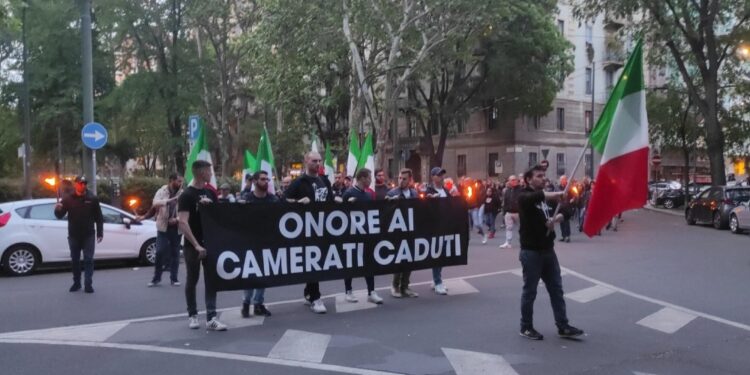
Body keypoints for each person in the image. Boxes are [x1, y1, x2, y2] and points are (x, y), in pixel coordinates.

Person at [517, 164, 583, 340]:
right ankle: (526, 327)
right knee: (530, 291)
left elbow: (566, 210)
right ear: (528, 179)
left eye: (544, 175)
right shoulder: (523, 195)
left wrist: (557, 219)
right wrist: (556, 194)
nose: (543, 178)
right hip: (531, 252)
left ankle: (563, 325)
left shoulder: (547, 198)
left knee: (556, 289)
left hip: (548, 250)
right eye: (538, 176)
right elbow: (535, 197)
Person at [284, 151, 340, 314]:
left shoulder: (324, 181)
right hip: (306, 231)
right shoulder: (299, 182)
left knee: (318, 263)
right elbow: (284, 201)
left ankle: (309, 293)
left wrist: (336, 201)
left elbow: (328, 201)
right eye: (314, 161)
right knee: (313, 262)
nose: (318, 163)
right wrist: (297, 202)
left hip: (322, 229)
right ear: (306, 161)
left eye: (320, 161)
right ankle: (315, 297)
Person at [178, 160, 227, 331]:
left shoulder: (210, 193)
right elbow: (182, 223)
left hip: (210, 243)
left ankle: (211, 317)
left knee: (211, 280)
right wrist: (197, 245)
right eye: (209, 171)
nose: (211, 174)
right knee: (192, 279)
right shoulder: (187, 196)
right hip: (193, 245)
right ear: (200, 172)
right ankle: (192, 315)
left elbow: (219, 217)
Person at [341, 168, 384, 305]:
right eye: (369, 178)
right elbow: (340, 214)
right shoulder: (349, 193)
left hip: (366, 235)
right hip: (351, 236)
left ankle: (371, 292)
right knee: (351, 264)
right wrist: (347, 204)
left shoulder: (368, 195)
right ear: (362, 178)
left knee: (369, 264)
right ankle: (348, 291)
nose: (371, 181)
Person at [54, 175, 103, 293]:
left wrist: (100, 233)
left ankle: (88, 284)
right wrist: (57, 209)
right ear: (76, 184)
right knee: (75, 260)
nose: (83, 185)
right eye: (81, 183)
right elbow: (59, 216)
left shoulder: (92, 198)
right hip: (74, 235)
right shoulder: (68, 199)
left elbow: (99, 217)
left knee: (88, 260)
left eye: (85, 183)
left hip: (88, 235)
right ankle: (76, 283)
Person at [240, 171, 277, 318]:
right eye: (262, 179)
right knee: (250, 274)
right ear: (255, 181)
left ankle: (258, 304)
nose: (266, 181)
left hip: (267, 243)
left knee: (263, 274)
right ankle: (246, 303)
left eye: (267, 179)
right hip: (249, 243)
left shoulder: (273, 200)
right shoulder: (246, 199)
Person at [386, 168, 419, 298]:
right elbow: (386, 211)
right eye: (400, 178)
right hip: (397, 232)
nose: (401, 181)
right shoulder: (392, 193)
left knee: (409, 259)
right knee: (398, 259)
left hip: (410, 231)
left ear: (410, 180)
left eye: (404, 179)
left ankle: (405, 286)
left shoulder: (414, 193)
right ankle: (395, 286)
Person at [147, 174, 184, 287]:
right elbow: (155, 203)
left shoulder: (182, 193)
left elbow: (186, 211)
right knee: (159, 252)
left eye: (181, 181)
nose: (180, 183)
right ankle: (156, 278)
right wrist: (169, 201)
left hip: (176, 228)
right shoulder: (162, 191)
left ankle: (174, 278)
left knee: (175, 254)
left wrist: (177, 219)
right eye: (178, 181)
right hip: (163, 227)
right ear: (171, 181)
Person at [423, 167, 450, 295]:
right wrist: (429, 199)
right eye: (439, 175)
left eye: (442, 175)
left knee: (443, 255)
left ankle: (437, 279)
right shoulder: (428, 191)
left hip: (445, 226)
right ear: (433, 177)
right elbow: (423, 206)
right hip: (434, 228)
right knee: (437, 254)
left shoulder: (446, 190)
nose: (442, 177)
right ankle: (438, 281)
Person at [499, 175, 521, 249]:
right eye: (511, 180)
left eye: (514, 180)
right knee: (508, 228)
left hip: (518, 212)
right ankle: (508, 242)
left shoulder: (521, 190)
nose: (513, 181)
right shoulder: (507, 190)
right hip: (509, 212)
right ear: (509, 181)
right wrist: (504, 212)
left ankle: (523, 242)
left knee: (522, 228)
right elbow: (506, 201)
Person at [556, 175, 572, 242]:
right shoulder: (558, 187)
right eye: (561, 180)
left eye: (563, 179)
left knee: (566, 222)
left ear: (566, 180)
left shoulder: (569, 187)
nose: (562, 181)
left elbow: (574, 195)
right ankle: (563, 236)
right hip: (560, 207)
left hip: (567, 207)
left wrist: (572, 199)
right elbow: (556, 195)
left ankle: (567, 236)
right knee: (561, 222)